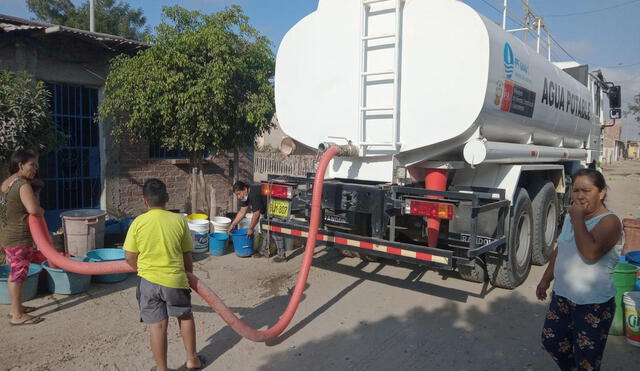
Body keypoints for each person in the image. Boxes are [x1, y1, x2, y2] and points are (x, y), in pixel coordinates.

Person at [537, 168, 622, 371]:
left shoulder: (610, 222)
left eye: (586, 190)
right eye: (575, 190)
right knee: (551, 341)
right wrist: (545, 279)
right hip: (563, 296)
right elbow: (561, 249)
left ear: (601, 193)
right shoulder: (572, 217)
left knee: (587, 359)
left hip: (593, 304)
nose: (580, 196)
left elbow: (590, 252)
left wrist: (577, 219)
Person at [124, 179, 206, 371]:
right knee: (185, 316)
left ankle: (161, 369)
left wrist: (141, 270)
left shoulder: (138, 222)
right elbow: (187, 255)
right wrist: (189, 277)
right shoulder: (179, 221)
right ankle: (192, 361)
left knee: (157, 325)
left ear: (145, 201)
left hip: (148, 282)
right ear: (167, 198)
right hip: (174, 280)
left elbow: (129, 257)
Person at [0, 149, 45, 325]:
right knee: (18, 274)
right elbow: (33, 209)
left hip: (7, 236)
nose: (35, 169)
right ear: (20, 165)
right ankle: (17, 315)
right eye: (32, 165)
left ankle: (15, 308)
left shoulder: (6, 183)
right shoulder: (22, 185)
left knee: (15, 272)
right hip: (19, 237)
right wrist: (42, 211)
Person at [229, 180, 287, 262]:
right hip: (267, 207)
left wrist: (250, 228)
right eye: (237, 195)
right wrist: (233, 224)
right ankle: (264, 252)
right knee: (264, 229)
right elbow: (242, 212)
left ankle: (282, 256)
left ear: (245, 189)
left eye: (239, 194)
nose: (238, 197)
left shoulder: (254, 194)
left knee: (275, 231)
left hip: (276, 204)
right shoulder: (245, 196)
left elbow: (256, 214)